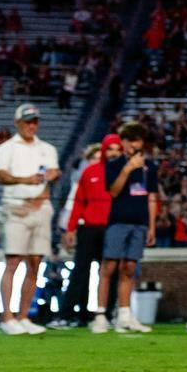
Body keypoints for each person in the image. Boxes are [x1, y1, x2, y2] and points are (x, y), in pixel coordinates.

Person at [0, 102, 60, 335]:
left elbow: (53, 174)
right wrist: (25, 180)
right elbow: (0, 175)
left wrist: (50, 177)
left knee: (34, 264)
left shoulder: (47, 149)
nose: (32, 125)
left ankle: (23, 316)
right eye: (28, 121)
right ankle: (7, 317)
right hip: (15, 208)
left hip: (40, 208)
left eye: (35, 121)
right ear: (17, 123)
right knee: (13, 261)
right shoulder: (6, 148)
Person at [101, 120, 159, 333]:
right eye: (132, 140)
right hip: (118, 220)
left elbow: (152, 197)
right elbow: (114, 191)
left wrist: (151, 226)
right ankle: (101, 314)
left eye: (139, 140)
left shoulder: (149, 166)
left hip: (140, 222)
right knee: (109, 267)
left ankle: (125, 315)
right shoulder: (114, 164)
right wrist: (127, 169)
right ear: (124, 142)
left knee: (130, 268)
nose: (136, 144)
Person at [62, 136, 117, 329]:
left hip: (112, 228)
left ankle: (107, 313)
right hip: (89, 228)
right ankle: (69, 314)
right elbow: (78, 202)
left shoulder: (121, 172)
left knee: (111, 272)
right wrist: (71, 227)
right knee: (80, 271)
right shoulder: (89, 172)